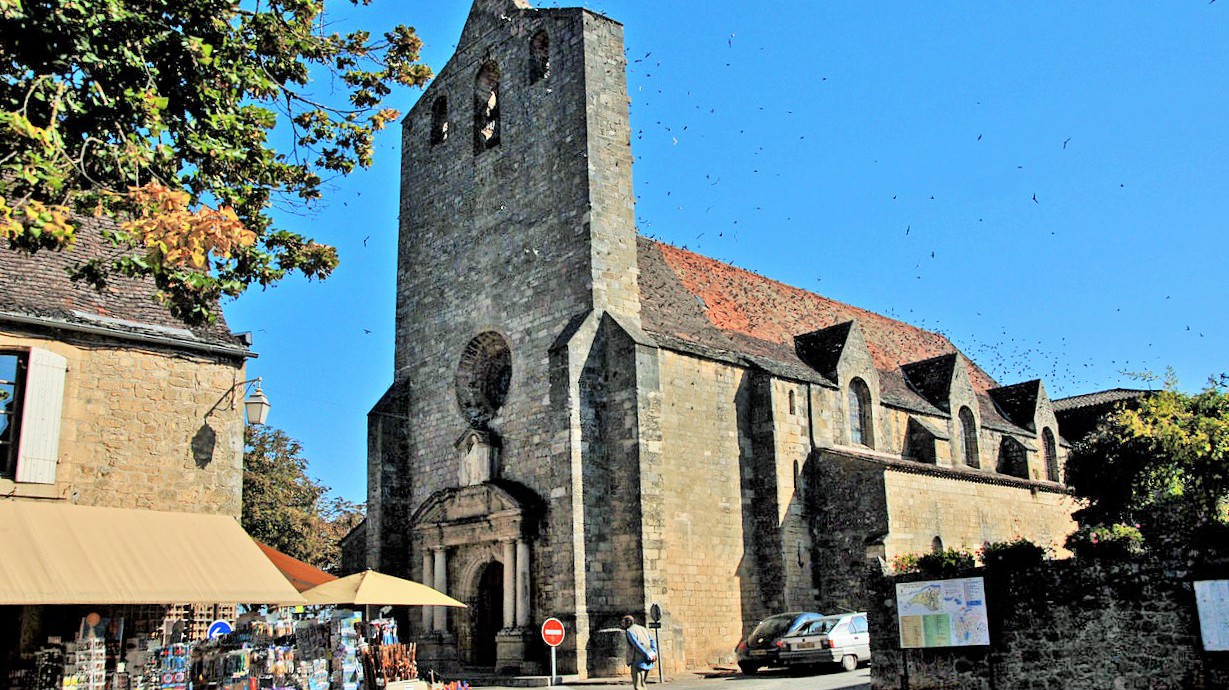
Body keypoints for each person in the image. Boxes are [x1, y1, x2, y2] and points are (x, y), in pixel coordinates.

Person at [621, 614, 656, 689]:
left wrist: (646, 654)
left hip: (638, 659)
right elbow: (652, 640)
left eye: (623, 622)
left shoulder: (629, 631)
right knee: (643, 683)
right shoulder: (643, 628)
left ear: (628, 622)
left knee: (638, 686)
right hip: (648, 658)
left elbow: (636, 645)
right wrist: (653, 653)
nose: (622, 624)